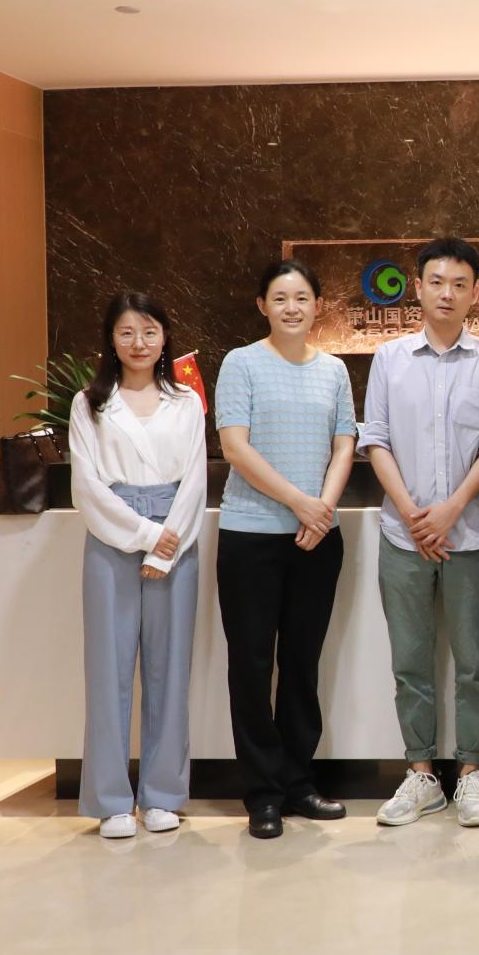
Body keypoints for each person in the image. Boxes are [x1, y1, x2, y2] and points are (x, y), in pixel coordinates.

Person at [361, 237, 479, 830]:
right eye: (436, 282)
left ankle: (472, 773)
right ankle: (422, 774)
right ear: (418, 287)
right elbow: (376, 439)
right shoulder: (389, 357)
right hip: (402, 536)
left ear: (475, 292)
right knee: (411, 661)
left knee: (474, 662)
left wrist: (450, 510)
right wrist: (413, 513)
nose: (447, 293)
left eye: (459, 284)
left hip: (468, 532)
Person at [214, 259, 358, 840]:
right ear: (262, 306)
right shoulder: (241, 363)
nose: (291, 307)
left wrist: (322, 510)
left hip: (316, 540)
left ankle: (299, 783)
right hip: (251, 537)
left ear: (318, 305)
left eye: (301, 297)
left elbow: (345, 444)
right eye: (280, 298)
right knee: (251, 666)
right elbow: (235, 447)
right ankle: (263, 794)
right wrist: (302, 502)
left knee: (301, 665)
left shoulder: (334, 370)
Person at [67, 293, 207, 839]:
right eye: (126, 333)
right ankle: (110, 801)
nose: (139, 343)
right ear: (111, 339)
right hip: (113, 539)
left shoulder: (186, 402)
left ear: (165, 336)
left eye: (149, 331)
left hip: (176, 536)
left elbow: (195, 480)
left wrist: (166, 544)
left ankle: (163, 795)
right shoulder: (89, 404)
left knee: (169, 671)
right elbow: (87, 487)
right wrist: (148, 536)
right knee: (108, 670)